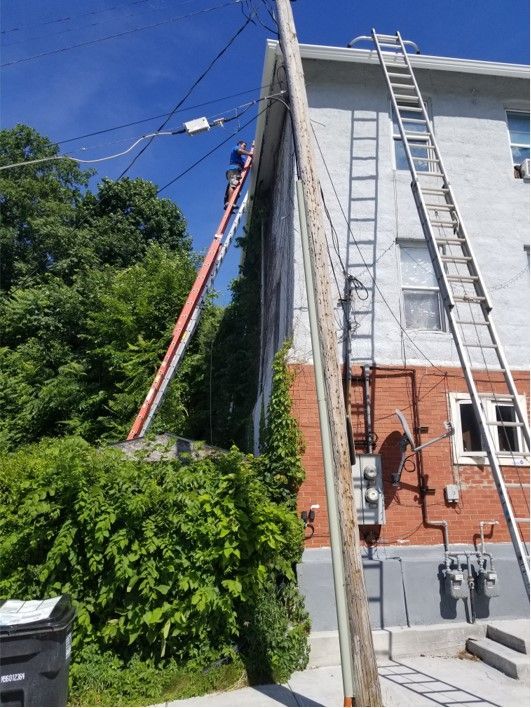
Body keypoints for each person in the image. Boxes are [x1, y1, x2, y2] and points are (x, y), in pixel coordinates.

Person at [224, 140, 253, 209]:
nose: (245, 148)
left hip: (237, 170)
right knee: (233, 185)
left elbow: (245, 165)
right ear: (239, 145)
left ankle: (228, 203)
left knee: (235, 188)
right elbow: (240, 151)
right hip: (233, 169)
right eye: (244, 146)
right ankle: (230, 203)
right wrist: (250, 153)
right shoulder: (236, 148)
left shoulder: (242, 157)